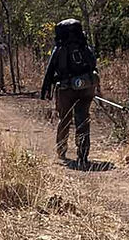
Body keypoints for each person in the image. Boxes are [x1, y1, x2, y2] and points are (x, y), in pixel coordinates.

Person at [40, 19, 98, 168]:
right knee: (83, 119)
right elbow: (93, 64)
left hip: (66, 90)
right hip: (86, 87)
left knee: (64, 119)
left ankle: (61, 150)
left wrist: (45, 90)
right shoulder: (84, 46)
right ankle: (83, 154)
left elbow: (50, 71)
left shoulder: (59, 49)